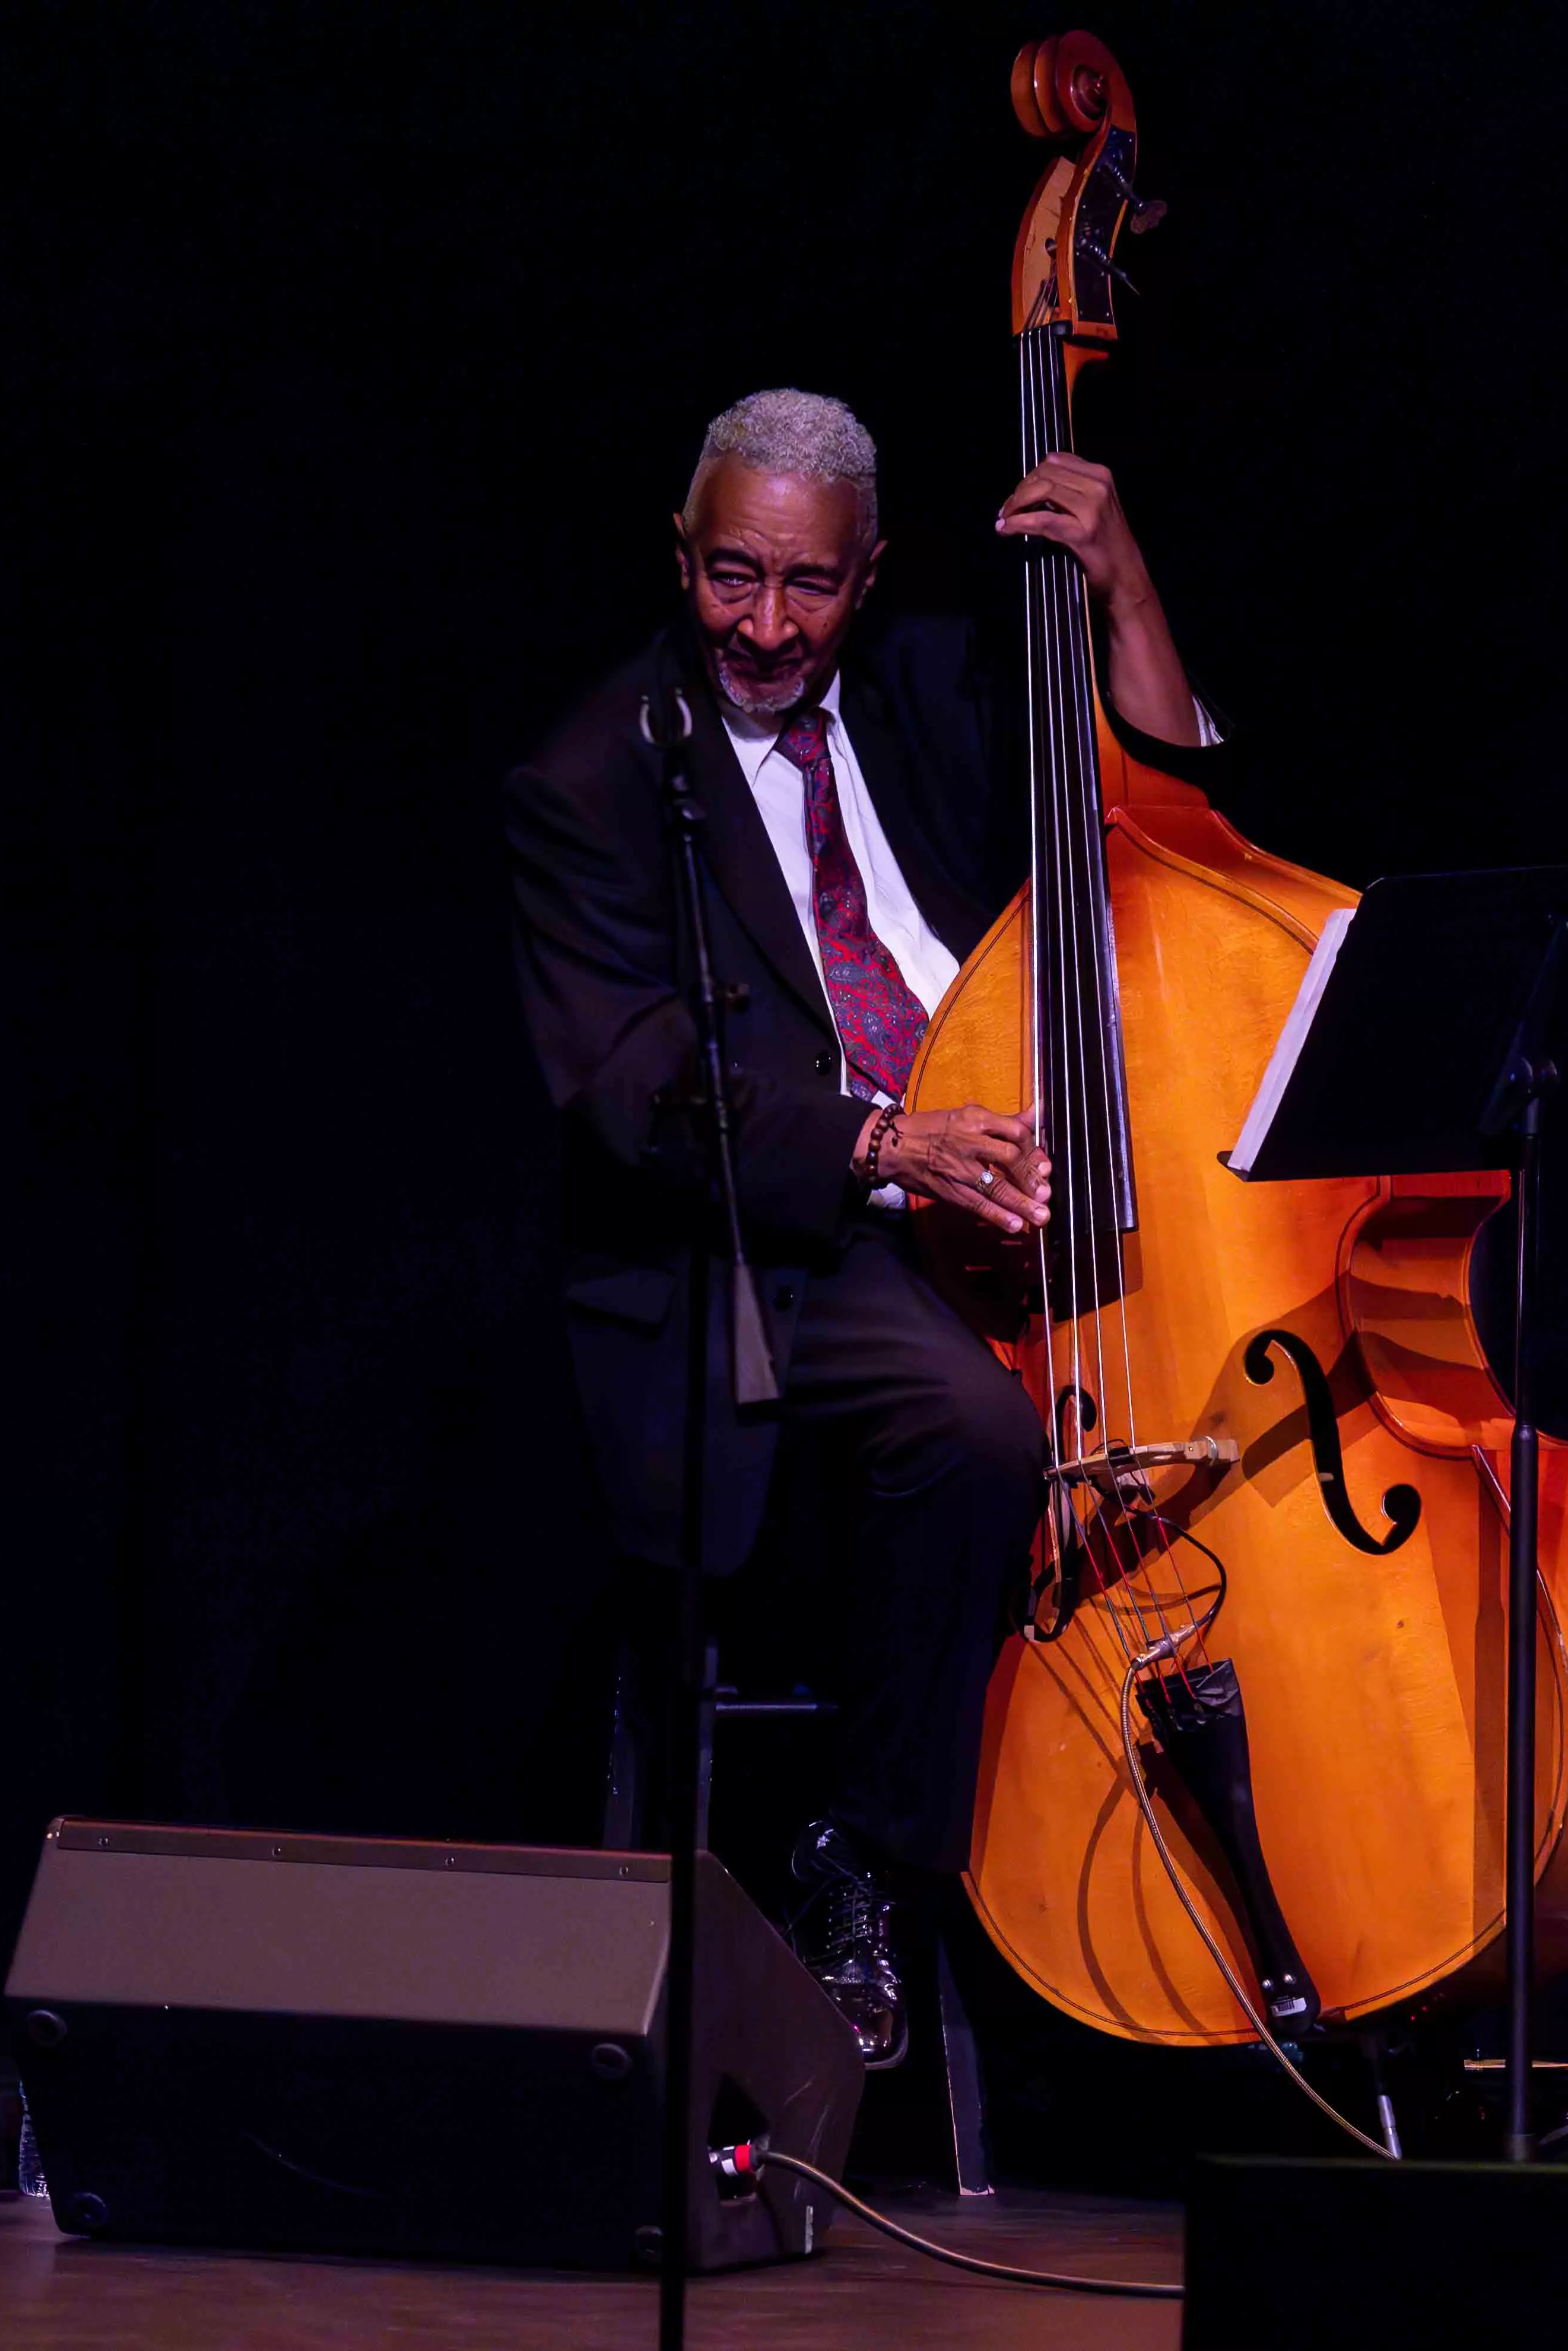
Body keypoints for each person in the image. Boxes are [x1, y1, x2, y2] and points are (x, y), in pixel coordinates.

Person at [504, 389, 1229, 2064]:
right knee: (975, 1434)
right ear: (679, 558)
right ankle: (869, 1853)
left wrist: (1122, 588)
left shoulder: (929, 688)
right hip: (787, 1240)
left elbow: (1170, 820)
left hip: (1022, 1193)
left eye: (806, 587)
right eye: (730, 578)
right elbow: (625, 1085)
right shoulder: (594, 775)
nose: (763, 626)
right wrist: (883, 1140)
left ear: (869, 573)